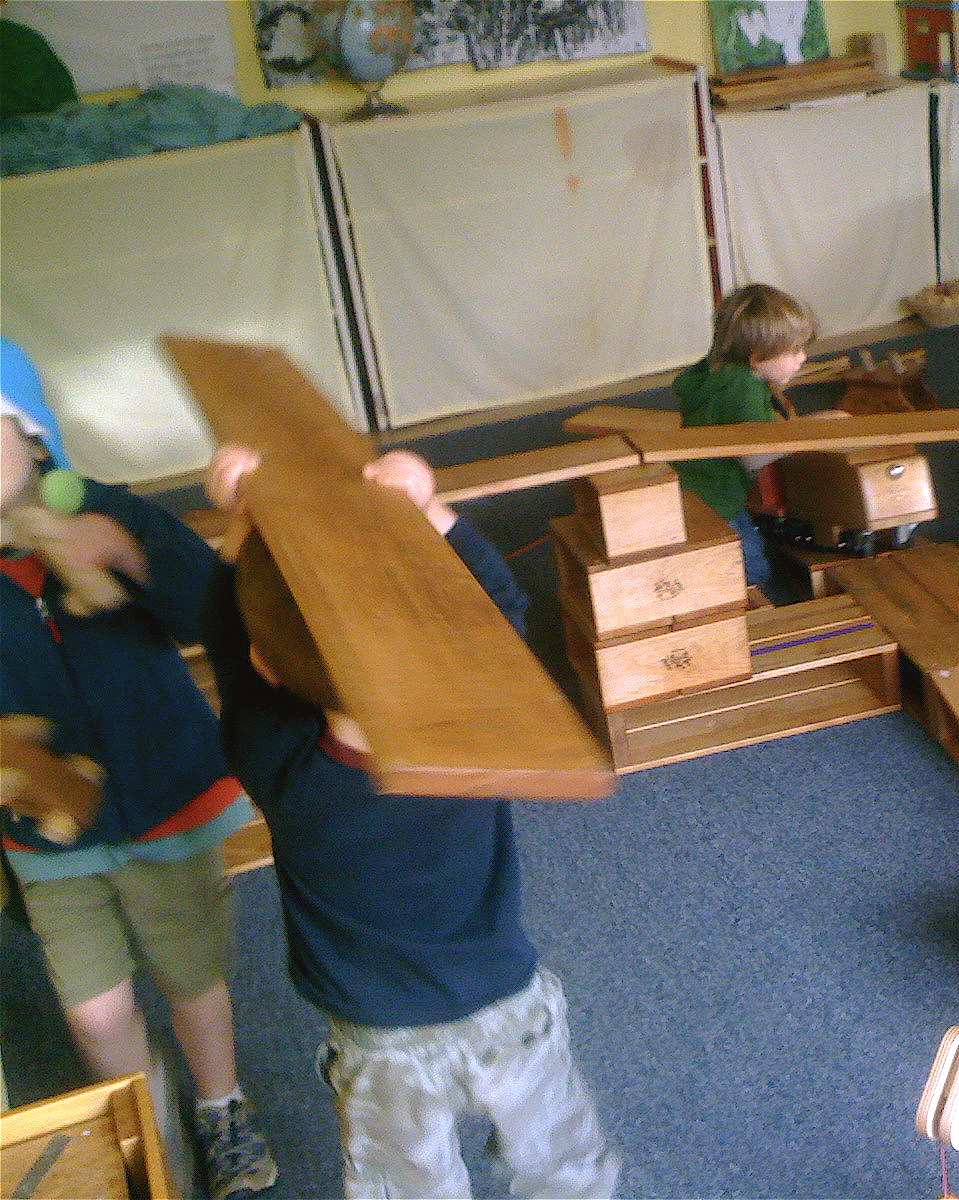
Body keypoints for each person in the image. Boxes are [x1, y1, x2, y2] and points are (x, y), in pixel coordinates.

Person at [201, 443, 619, 1200]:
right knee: (560, 1164)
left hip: (379, 1036)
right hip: (505, 1003)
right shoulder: (477, 723)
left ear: (271, 665)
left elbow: (230, 643)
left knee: (406, 1184)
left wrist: (243, 526)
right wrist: (430, 511)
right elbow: (499, 608)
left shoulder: (277, 762)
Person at [0, 338, 277, 1200]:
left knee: (191, 976)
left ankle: (221, 1108)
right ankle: (146, 1131)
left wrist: (129, 553)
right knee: (93, 1010)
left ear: (30, 436)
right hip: (46, 830)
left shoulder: (108, 510)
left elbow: (211, 614)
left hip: (164, 799)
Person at [674, 282, 837, 596]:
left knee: (750, 554)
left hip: (700, 493)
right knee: (752, 570)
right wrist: (814, 430)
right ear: (757, 356)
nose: (803, 358)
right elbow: (752, 455)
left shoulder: (718, 375)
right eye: (794, 350)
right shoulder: (743, 389)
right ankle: (754, 616)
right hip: (714, 503)